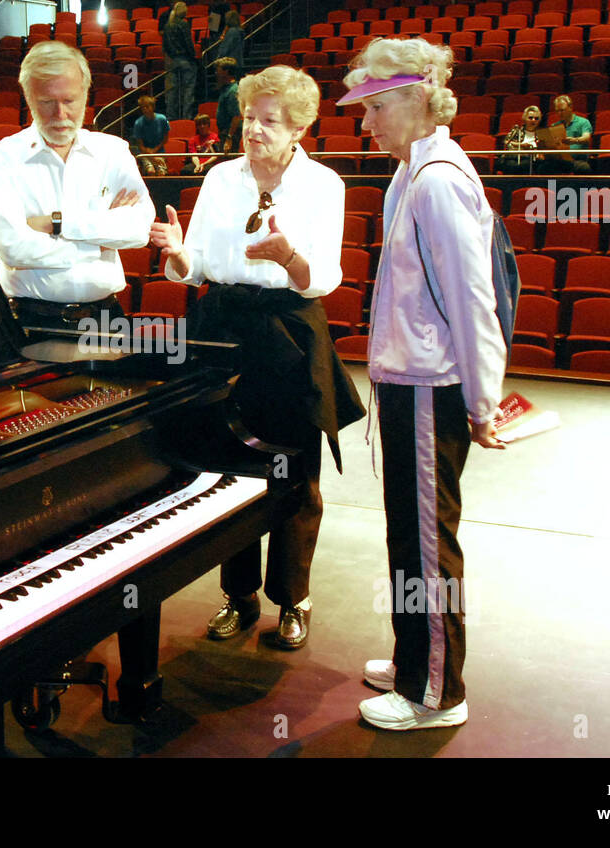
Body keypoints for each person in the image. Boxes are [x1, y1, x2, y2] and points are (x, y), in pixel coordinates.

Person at [149, 65, 366, 650]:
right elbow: (194, 264)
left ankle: (293, 598)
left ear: (298, 127)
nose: (253, 129)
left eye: (268, 121)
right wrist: (175, 254)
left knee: (294, 467)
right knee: (228, 466)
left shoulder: (324, 184)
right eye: (248, 117)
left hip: (288, 330)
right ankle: (238, 596)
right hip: (221, 329)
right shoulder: (219, 178)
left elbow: (323, 277)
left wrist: (288, 256)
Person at [338, 36, 508, 731]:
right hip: (407, 382)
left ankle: (437, 693)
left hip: (429, 387)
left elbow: (473, 298)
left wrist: (483, 402)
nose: (365, 122)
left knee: (428, 544)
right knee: (410, 538)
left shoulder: (436, 179)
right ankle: (418, 658)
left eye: (375, 106)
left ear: (413, 99)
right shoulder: (412, 171)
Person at [0, 40, 153, 331]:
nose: (60, 114)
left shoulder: (114, 151)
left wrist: (55, 224)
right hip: (30, 321)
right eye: (47, 102)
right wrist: (97, 243)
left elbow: (138, 230)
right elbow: (12, 247)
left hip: (106, 318)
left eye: (70, 101)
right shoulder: (0, 158)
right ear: (28, 97)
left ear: (85, 94)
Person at [163, 2, 198, 121]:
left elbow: (165, 45)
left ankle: (171, 117)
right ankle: (186, 117)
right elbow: (188, 43)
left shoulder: (168, 26)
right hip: (185, 59)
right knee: (188, 89)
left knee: (172, 91)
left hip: (172, 60)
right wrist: (194, 57)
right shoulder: (183, 24)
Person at [549, 94, 592, 174]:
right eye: (557, 111)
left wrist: (575, 140)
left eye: (562, 110)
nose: (559, 113)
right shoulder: (555, 126)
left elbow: (586, 137)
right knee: (543, 167)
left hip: (577, 160)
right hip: (559, 160)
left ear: (570, 108)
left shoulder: (583, 122)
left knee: (584, 168)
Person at [131, 94, 170, 176]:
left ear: (153, 107)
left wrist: (155, 150)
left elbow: (165, 139)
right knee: (150, 171)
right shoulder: (138, 123)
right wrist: (152, 157)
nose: (145, 109)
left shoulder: (162, 119)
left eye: (147, 107)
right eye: (142, 107)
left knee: (161, 173)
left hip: (159, 152)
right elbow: (140, 146)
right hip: (145, 153)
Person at [496, 106, 543, 175]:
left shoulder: (542, 133)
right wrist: (522, 145)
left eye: (536, 118)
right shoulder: (517, 131)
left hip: (532, 159)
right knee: (510, 164)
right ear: (524, 119)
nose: (533, 120)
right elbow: (507, 142)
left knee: (525, 165)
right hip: (515, 157)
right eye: (530, 118)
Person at [214, 57, 242, 154]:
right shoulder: (225, 88)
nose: (216, 73)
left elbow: (236, 117)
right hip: (225, 133)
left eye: (218, 70)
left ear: (226, 71)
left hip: (231, 134)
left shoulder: (233, 91)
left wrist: (229, 138)